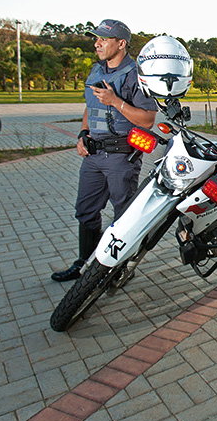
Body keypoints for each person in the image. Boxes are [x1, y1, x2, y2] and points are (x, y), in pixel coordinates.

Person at [51, 19, 158, 282]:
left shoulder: (136, 74)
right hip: (93, 155)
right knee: (86, 210)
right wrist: (82, 135)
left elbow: (147, 119)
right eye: (95, 38)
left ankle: (119, 269)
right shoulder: (96, 71)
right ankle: (84, 265)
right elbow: (91, 107)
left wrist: (116, 102)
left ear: (121, 44)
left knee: (123, 215)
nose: (96, 43)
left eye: (103, 39)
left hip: (121, 157)